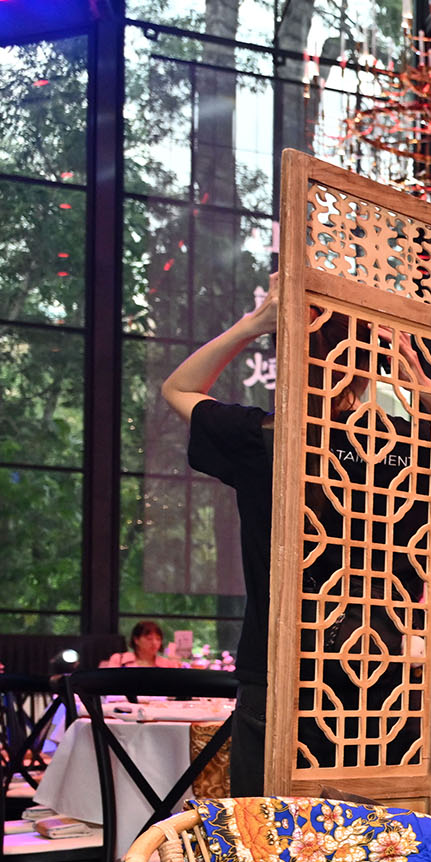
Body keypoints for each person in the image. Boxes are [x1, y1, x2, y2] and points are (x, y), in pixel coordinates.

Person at [161, 279, 278, 794]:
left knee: (266, 829)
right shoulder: (405, 446)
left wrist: (254, 324)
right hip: (379, 680)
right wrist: (418, 382)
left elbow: (178, 389)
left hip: (274, 667)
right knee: (376, 833)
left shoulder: (264, 438)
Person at [102, 621, 182, 669]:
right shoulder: (119, 659)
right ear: (136, 640)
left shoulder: (167, 664)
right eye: (149, 639)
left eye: (158, 639)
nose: (154, 643)